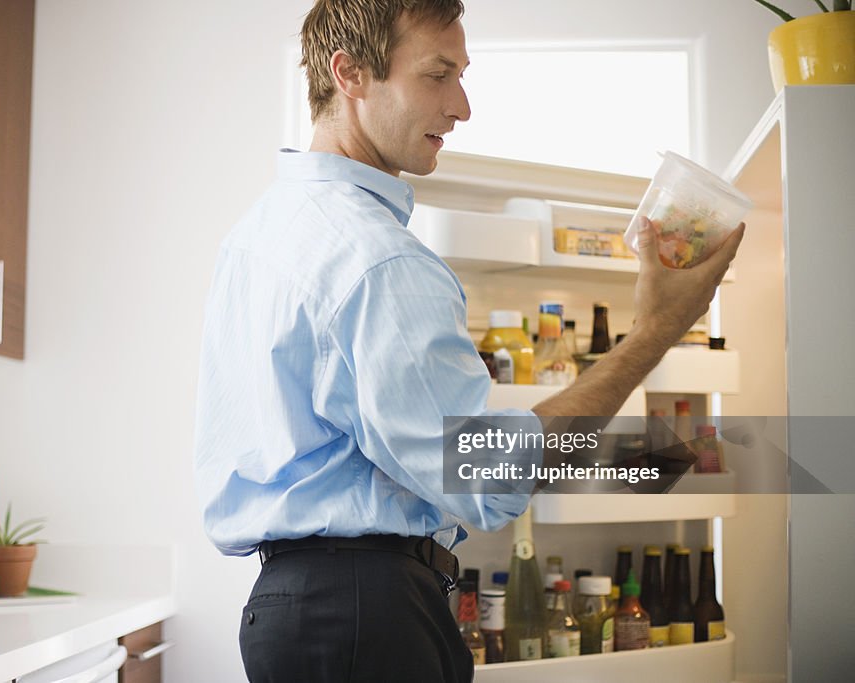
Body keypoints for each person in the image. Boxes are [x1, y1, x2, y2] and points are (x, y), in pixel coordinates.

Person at [193, 1, 744, 681]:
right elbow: (487, 473)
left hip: (287, 608)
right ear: (351, 73)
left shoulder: (255, 235)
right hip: (366, 615)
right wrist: (656, 332)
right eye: (438, 74)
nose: (462, 106)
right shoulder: (379, 259)